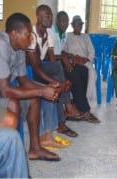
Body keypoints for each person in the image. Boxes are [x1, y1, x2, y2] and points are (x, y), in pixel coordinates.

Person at [0, 12, 61, 161]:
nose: (31, 38)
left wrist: (46, 87)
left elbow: (24, 81)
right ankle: (10, 157)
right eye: (28, 34)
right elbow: (5, 91)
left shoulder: (19, 49)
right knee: (13, 102)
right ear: (14, 33)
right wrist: (42, 91)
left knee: (33, 97)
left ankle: (35, 148)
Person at [26, 5, 82, 138]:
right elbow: (35, 68)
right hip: (29, 72)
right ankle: (65, 112)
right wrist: (58, 82)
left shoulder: (48, 34)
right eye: (47, 15)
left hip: (42, 67)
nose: (50, 18)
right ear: (38, 17)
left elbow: (52, 60)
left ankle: (64, 113)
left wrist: (61, 82)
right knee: (57, 83)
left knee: (58, 68)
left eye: (51, 15)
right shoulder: (31, 35)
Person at [62, 15, 100, 123]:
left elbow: (92, 51)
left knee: (92, 72)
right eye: (77, 24)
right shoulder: (67, 36)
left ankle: (84, 100)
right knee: (79, 74)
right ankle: (83, 106)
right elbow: (63, 51)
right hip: (72, 61)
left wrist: (86, 59)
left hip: (84, 61)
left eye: (81, 24)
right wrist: (73, 57)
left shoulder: (86, 37)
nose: (80, 26)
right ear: (72, 25)